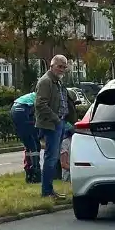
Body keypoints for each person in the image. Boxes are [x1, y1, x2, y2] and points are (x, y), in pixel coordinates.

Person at [34, 55, 77, 199]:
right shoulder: (46, 81)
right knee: (51, 158)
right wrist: (56, 119)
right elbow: (40, 104)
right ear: (51, 66)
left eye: (64, 67)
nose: (62, 69)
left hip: (59, 123)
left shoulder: (57, 82)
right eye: (60, 66)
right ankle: (47, 192)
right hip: (51, 125)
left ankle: (49, 190)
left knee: (53, 157)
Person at [10, 91, 41, 183]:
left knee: (29, 143)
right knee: (34, 145)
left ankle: (29, 172)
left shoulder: (34, 95)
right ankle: (36, 172)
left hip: (15, 109)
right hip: (22, 110)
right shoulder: (42, 96)